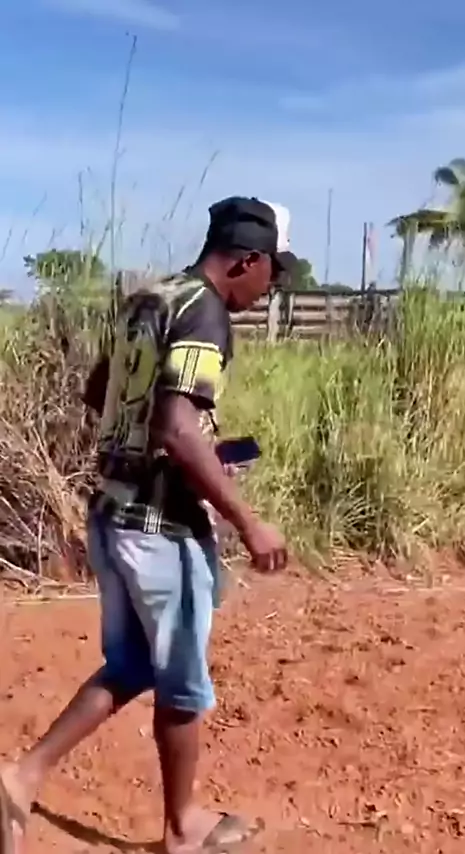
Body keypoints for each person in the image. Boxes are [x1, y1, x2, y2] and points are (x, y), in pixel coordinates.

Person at [0, 196, 296, 854]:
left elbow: (99, 391)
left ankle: (22, 777)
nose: (270, 287)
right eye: (272, 272)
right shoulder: (206, 314)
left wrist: (180, 450)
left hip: (112, 514)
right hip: (162, 529)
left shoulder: (150, 298)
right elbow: (177, 426)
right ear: (246, 260)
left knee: (133, 664)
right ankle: (182, 825)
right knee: (183, 683)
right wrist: (248, 521)